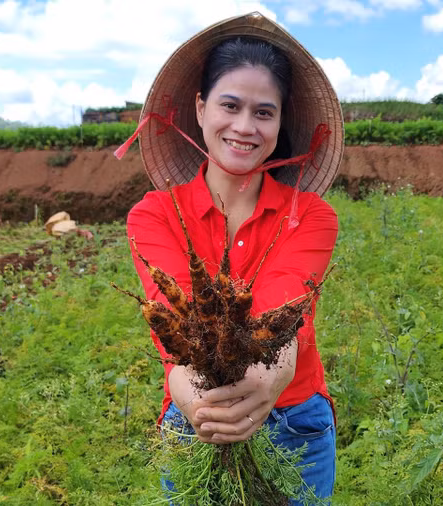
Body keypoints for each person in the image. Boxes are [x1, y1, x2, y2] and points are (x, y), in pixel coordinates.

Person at [118, 12, 345, 503]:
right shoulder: (154, 215)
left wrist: (269, 377)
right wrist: (200, 403)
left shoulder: (311, 216)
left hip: (294, 422)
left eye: (264, 112)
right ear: (200, 108)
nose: (245, 127)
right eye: (230, 105)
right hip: (195, 415)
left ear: (281, 122)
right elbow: (176, 325)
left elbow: (286, 316)